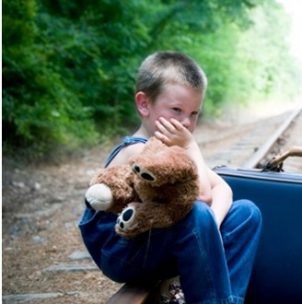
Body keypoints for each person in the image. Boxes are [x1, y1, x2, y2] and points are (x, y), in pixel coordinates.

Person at [79, 51, 262, 304]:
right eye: (176, 110)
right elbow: (203, 195)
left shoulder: (172, 150)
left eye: (194, 113)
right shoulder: (138, 151)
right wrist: (192, 147)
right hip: (122, 251)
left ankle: (227, 300)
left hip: (156, 242)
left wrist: (211, 229)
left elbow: (223, 189)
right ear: (144, 104)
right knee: (197, 211)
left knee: (247, 213)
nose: (186, 122)